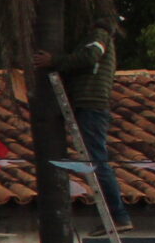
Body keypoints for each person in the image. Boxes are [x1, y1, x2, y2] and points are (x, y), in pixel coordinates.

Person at [38, 12, 128, 230]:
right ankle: (116, 215)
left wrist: (55, 61)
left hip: (91, 104)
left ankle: (119, 215)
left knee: (97, 161)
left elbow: (90, 57)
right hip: (87, 104)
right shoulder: (96, 37)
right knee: (95, 159)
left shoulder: (100, 34)